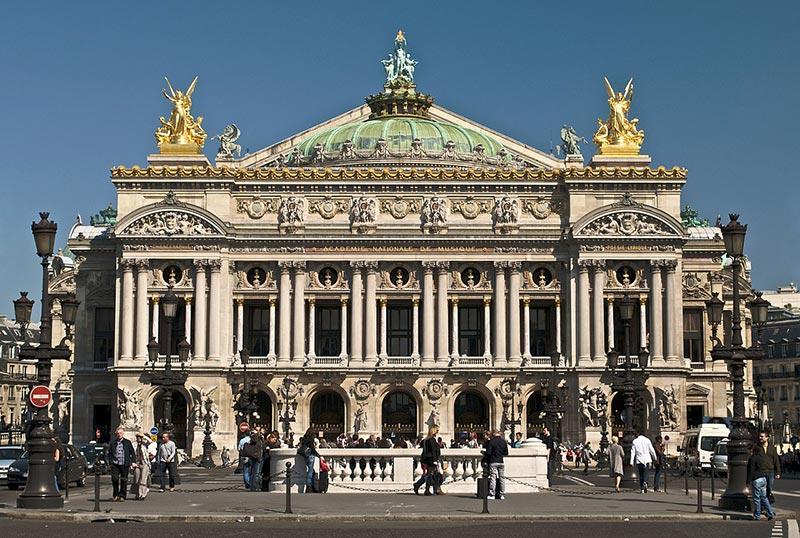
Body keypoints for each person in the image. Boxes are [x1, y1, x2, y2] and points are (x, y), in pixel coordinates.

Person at [748, 440, 776, 521]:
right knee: (764, 497)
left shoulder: (753, 458)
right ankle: (770, 513)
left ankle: (757, 515)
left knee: (756, 498)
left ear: (751, 450)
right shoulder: (761, 457)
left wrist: (748, 481)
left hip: (756, 479)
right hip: (763, 478)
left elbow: (751, 470)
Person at [107, 427, 135, 501]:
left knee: (124, 480)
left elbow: (132, 453)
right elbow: (109, 453)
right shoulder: (113, 443)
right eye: (118, 433)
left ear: (123, 434)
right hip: (115, 464)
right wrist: (110, 462)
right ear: (116, 434)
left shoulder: (127, 442)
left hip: (124, 464)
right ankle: (115, 494)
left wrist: (133, 462)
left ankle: (122, 495)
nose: (119, 435)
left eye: (120, 433)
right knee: (115, 479)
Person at [754, 431, 781, 504]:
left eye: (762, 436)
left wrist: (778, 472)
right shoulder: (756, 447)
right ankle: (763, 507)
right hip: (760, 471)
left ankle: (769, 506)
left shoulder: (772, 447)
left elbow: (776, 460)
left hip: (770, 471)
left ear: (767, 438)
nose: (760, 438)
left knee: (769, 489)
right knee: (761, 490)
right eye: (759, 436)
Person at [413, 426, 441, 496]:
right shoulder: (432, 440)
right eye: (437, 431)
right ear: (434, 431)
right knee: (429, 475)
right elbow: (433, 451)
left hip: (425, 459)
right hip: (431, 459)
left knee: (428, 474)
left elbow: (422, 445)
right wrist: (435, 460)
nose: (437, 432)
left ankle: (419, 485)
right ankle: (426, 489)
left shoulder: (425, 440)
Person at [485, 429, 509, 500]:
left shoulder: (492, 442)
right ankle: (502, 494)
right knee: (502, 478)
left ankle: (492, 494)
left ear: (493, 434)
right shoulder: (503, 442)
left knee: (493, 478)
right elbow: (506, 453)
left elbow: (488, 453)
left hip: (493, 461)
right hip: (501, 461)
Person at [298, 428, 320, 493]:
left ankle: (313, 486)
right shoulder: (311, 439)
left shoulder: (304, 438)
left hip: (305, 456)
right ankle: (309, 487)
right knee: (310, 472)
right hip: (310, 455)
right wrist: (318, 455)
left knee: (311, 471)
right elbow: (312, 449)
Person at [132, 433, 152, 500]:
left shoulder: (145, 444)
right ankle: (137, 494)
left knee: (143, 479)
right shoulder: (134, 444)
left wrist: (144, 436)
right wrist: (132, 463)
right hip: (136, 463)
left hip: (144, 463)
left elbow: (150, 441)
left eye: (140, 437)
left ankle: (143, 494)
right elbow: (131, 454)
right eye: (138, 437)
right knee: (137, 479)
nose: (139, 438)